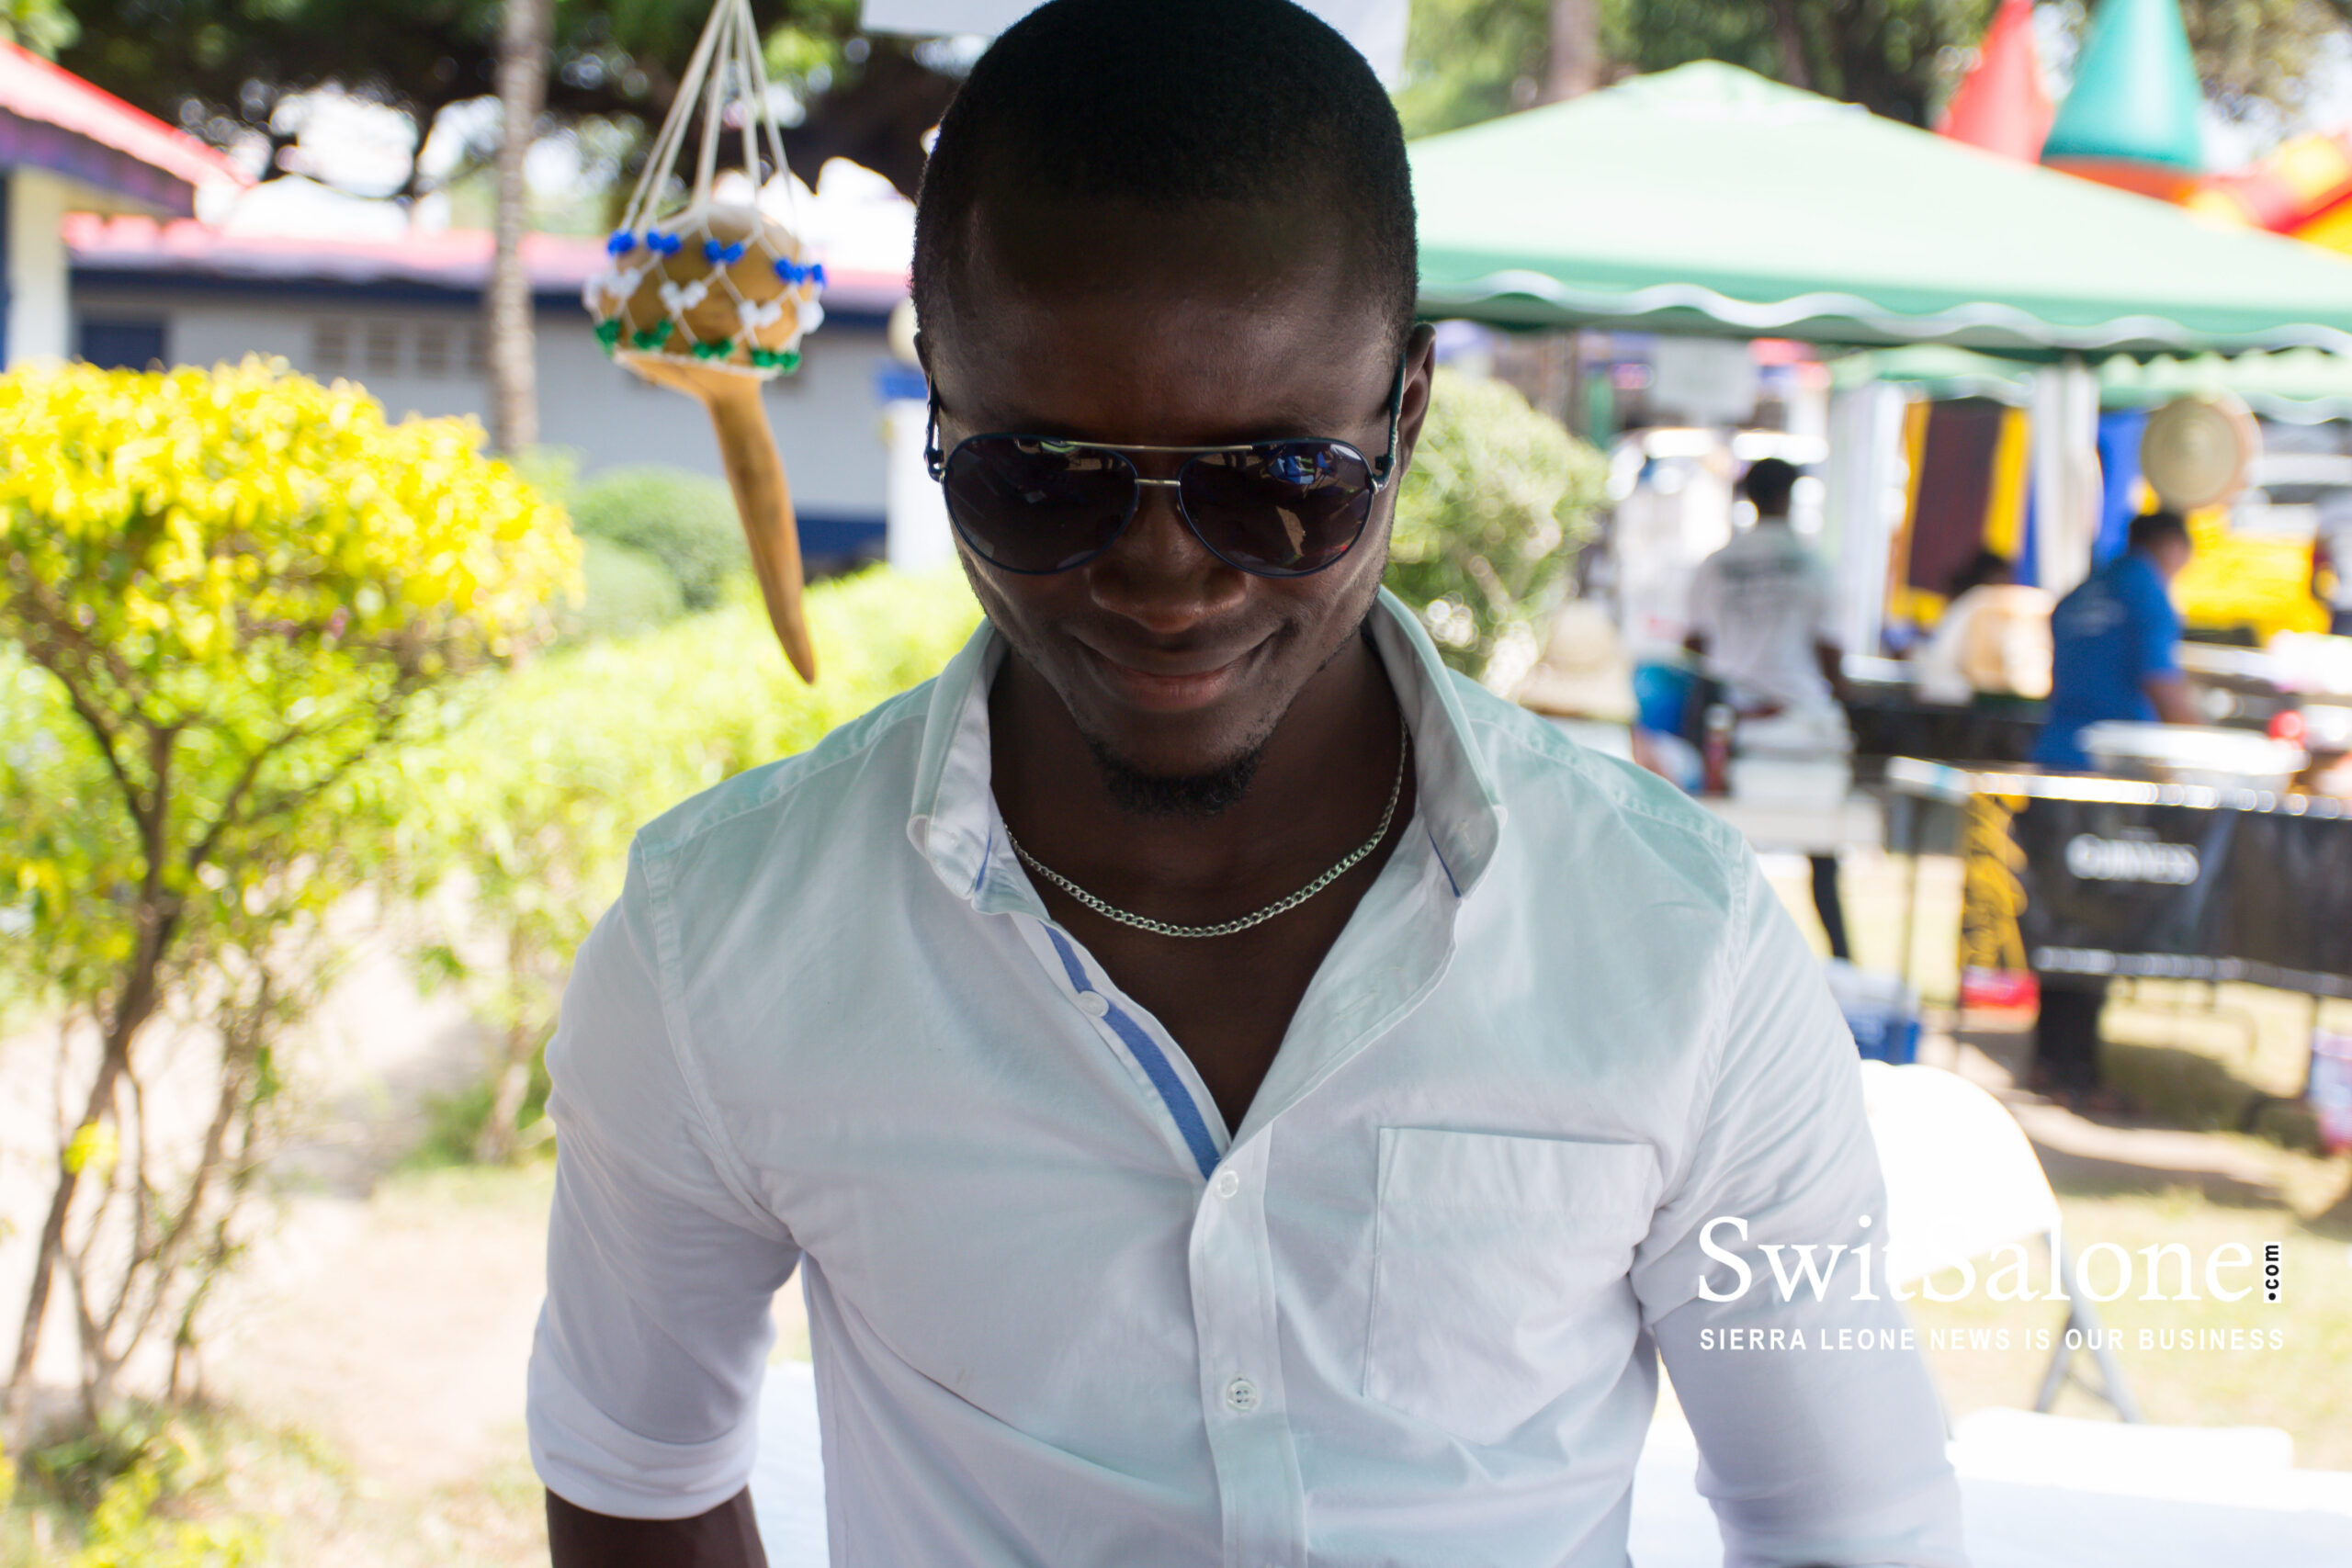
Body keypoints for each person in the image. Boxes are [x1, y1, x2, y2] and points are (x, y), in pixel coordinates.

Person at [528, 6, 1962, 1564]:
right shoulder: (720, 942)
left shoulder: (1679, 943)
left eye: (1279, 483)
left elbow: (1850, 1519)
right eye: (1043, 479)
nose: (1164, 577)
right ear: (939, 399)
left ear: (1405, 411)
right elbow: (636, 1473)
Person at [2025, 510, 2197, 1105]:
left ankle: (2050, 1060)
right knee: (2097, 924)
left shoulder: (2082, 591)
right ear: (2170, 546)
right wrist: (2203, 751)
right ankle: (2079, 1073)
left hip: (2055, 763)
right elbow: (2161, 680)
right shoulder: (2144, 588)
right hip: (2108, 775)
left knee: (2058, 916)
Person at [1684, 457, 1856, 962]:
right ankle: (1841, 960)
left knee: (1728, 854)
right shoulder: (1812, 564)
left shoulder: (1716, 565)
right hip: (1804, 731)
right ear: (1789, 497)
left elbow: (1694, 645)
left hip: (1735, 728)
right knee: (1822, 857)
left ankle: (1719, 959)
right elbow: (1830, 652)